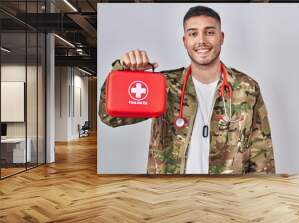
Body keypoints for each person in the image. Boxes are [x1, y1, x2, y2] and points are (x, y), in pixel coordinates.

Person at [99, 6, 275, 175]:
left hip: (227, 195)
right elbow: (109, 117)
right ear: (185, 41)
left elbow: (261, 152)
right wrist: (123, 72)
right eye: (193, 33)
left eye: (210, 32)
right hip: (171, 195)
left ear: (221, 37)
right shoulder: (164, 85)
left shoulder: (247, 87)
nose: (201, 41)